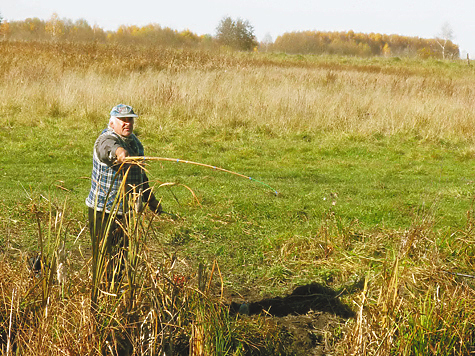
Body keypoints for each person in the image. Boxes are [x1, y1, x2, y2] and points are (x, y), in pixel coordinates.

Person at [86, 104, 162, 273]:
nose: (127, 123)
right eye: (123, 120)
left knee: (120, 258)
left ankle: (117, 294)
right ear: (112, 123)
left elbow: (140, 176)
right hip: (103, 211)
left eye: (130, 120)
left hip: (124, 211)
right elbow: (108, 148)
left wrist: (150, 199)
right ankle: (98, 296)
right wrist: (120, 153)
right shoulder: (106, 138)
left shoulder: (134, 143)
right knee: (104, 258)